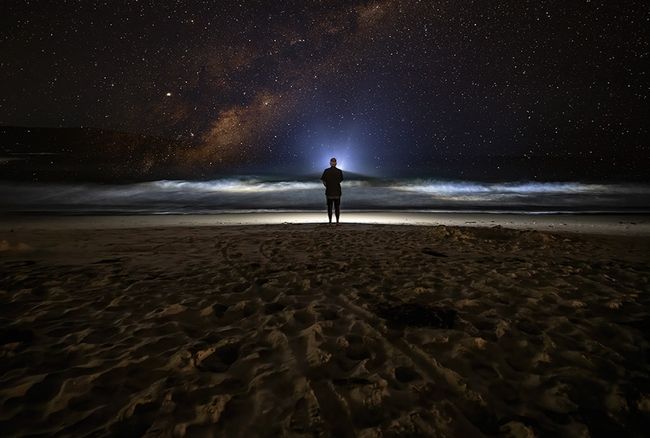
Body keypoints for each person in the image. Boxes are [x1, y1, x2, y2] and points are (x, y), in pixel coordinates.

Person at [320, 157, 344, 224]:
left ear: (330, 163)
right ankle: (337, 222)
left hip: (329, 191)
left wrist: (327, 186)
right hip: (337, 191)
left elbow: (323, 180)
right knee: (337, 207)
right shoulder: (339, 171)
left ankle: (330, 221)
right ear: (336, 163)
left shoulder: (326, 171)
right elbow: (340, 180)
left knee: (329, 207)